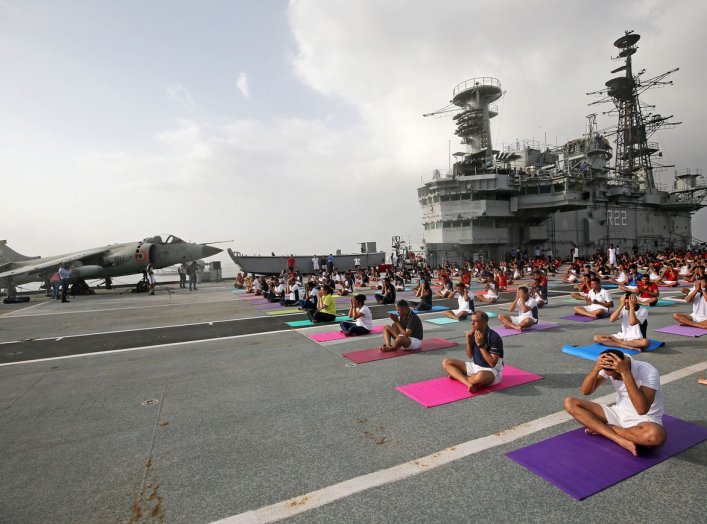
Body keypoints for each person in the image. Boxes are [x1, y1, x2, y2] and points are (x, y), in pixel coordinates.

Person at [563, 348, 666, 456]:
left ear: (624, 364)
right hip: (618, 412)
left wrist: (625, 373)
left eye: (617, 375)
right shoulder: (611, 365)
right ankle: (618, 438)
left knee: (654, 437)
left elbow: (641, 410)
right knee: (569, 402)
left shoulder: (648, 371)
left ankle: (606, 428)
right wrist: (596, 369)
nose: (615, 379)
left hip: (645, 418)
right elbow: (586, 391)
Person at [442, 311, 503, 393]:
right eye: (472, 321)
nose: (472, 323)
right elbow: (470, 356)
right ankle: (468, 383)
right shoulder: (475, 333)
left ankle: (459, 376)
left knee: (480, 377)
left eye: (476, 321)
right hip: (475, 366)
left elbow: (492, 363)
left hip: (491, 371)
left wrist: (480, 345)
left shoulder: (494, 337)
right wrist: (468, 341)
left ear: (485, 322)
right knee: (446, 362)